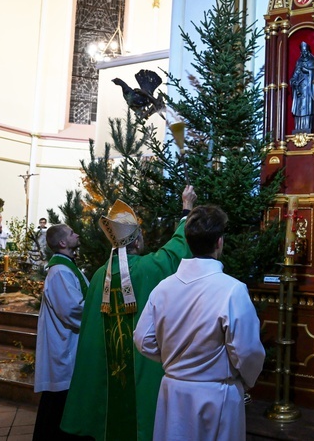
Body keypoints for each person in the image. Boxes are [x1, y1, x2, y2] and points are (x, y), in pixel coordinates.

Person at [61, 186, 197, 441]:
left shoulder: (100, 275)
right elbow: (177, 250)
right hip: (138, 371)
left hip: (106, 375)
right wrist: (186, 210)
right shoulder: (147, 268)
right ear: (135, 241)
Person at [134, 205, 265, 441]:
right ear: (219, 243)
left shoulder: (163, 287)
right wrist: (245, 380)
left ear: (188, 241)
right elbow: (247, 350)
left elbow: (143, 339)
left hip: (173, 392)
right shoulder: (232, 290)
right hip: (216, 396)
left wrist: (173, 360)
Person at [33, 224, 90, 440]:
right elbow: (72, 309)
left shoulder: (68, 267)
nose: (77, 234)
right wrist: (98, 311)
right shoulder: (59, 271)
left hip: (69, 345)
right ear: (63, 243)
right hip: (64, 350)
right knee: (56, 409)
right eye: (72, 233)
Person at [290, 41, 314, 134]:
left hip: (308, 90)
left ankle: (307, 127)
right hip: (300, 91)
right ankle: (298, 129)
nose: (304, 53)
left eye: (305, 51)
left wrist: (308, 71)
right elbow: (295, 75)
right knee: (299, 110)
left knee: (308, 110)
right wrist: (294, 82)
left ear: (308, 51)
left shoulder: (312, 61)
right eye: (302, 51)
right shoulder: (299, 62)